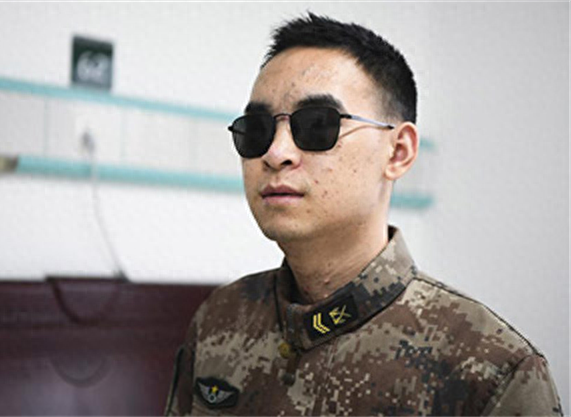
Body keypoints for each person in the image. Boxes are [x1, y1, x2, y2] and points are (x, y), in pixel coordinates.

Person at [165, 12, 563, 416]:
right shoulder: (220, 321)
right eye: (257, 130)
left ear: (398, 152)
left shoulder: (488, 369)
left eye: (317, 125)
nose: (275, 153)